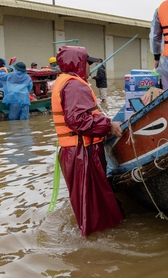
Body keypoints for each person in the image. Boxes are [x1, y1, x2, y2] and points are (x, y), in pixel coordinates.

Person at [52, 46, 123, 236]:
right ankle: (97, 239)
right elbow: (78, 120)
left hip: (73, 152)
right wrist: (108, 125)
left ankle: (96, 234)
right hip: (82, 153)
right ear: (77, 63)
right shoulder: (75, 85)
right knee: (92, 204)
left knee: (89, 202)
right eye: (87, 62)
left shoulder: (64, 82)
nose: (89, 66)